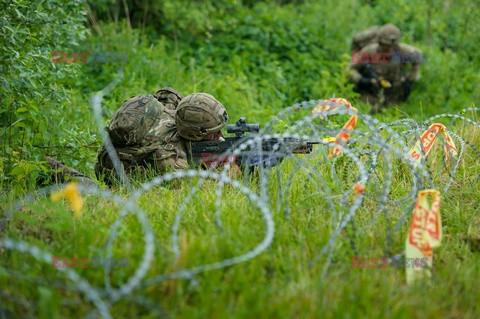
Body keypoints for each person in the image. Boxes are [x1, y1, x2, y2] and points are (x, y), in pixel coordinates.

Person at [95, 88, 229, 184]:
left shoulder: (179, 117)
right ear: (194, 133)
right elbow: (196, 188)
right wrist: (229, 174)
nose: (221, 135)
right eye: (214, 132)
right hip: (114, 167)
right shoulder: (169, 158)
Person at [347, 24, 424, 113]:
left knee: (396, 115)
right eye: (385, 47)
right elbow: (349, 69)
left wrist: (410, 79)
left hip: (393, 95)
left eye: (393, 47)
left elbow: (418, 56)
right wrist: (362, 81)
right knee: (362, 111)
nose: (390, 50)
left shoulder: (403, 51)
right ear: (379, 43)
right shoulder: (369, 51)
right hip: (371, 93)